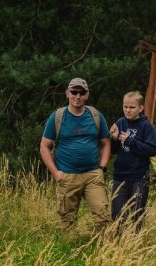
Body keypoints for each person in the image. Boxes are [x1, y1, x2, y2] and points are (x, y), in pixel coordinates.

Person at [39, 77, 111, 232]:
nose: (77, 96)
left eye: (81, 92)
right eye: (74, 92)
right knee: (67, 220)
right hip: (67, 175)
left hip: (93, 174)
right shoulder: (57, 117)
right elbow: (45, 147)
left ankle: (102, 251)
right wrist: (56, 173)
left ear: (87, 95)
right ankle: (69, 250)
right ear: (67, 94)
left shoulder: (95, 115)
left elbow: (105, 143)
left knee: (102, 214)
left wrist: (102, 167)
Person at [109, 91, 156, 228]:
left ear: (141, 108)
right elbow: (113, 150)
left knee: (136, 216)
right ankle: (119, 245)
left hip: (139, 177)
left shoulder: (146, 126)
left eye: (132, 107)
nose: (128, 110)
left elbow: (152, 150)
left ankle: (136, 245)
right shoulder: (120, 122)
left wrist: (130, 141)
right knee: (117, 215)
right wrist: (114, 138)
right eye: (125, 107)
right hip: (120, 176)